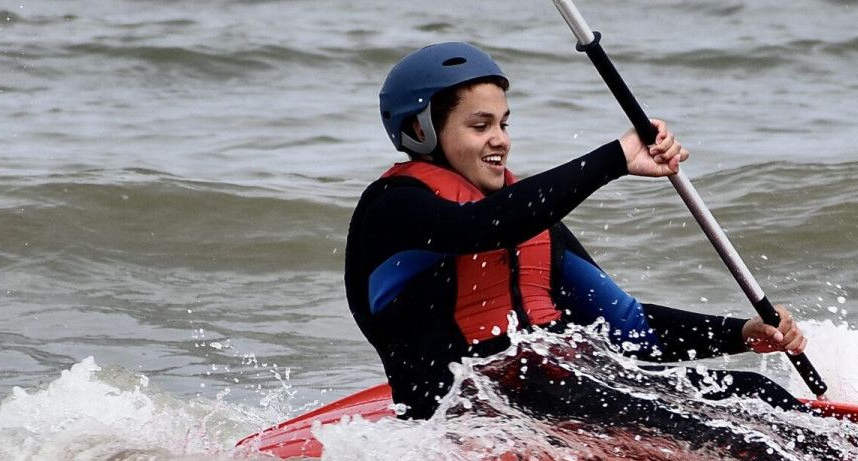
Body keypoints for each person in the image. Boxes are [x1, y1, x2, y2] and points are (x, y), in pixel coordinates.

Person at [346, 41, 810, 435]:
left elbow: (629, 328)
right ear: (418, 130)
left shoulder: (531, 224)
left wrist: (742, 334)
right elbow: (478, 228)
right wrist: (615, 158)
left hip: (562, 391)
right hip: (468, 421)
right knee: (687, 425)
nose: (501, 140)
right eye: (480, 125)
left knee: (757, 393)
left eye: (504, 124)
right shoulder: (394, 208)